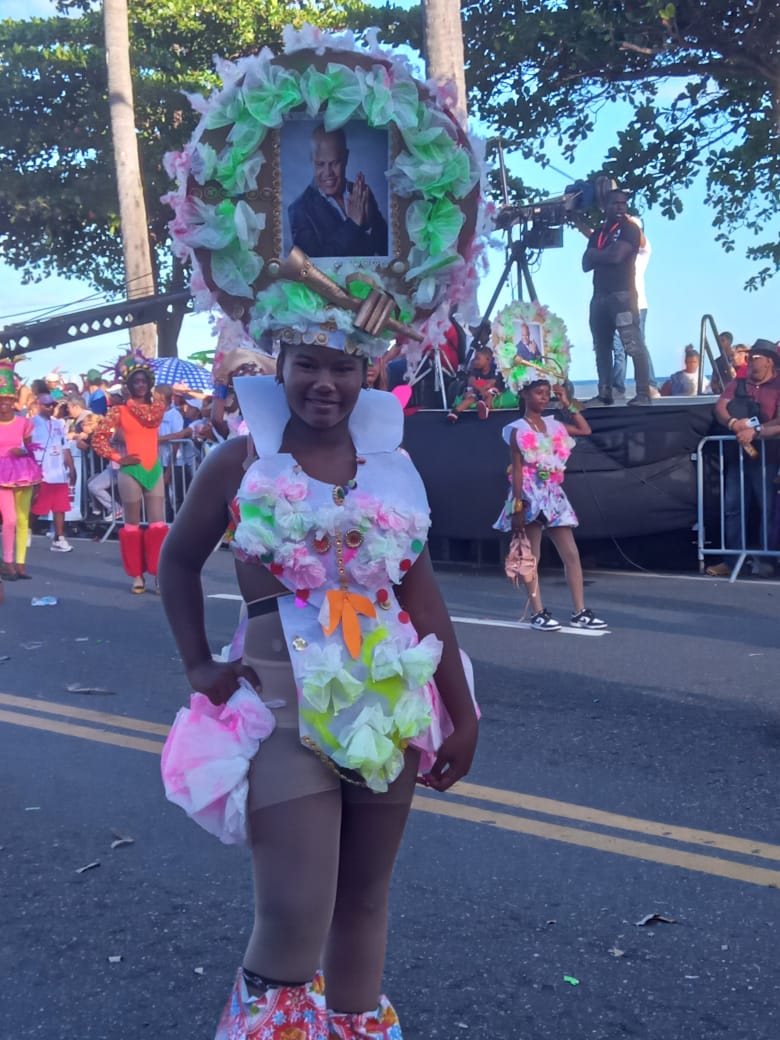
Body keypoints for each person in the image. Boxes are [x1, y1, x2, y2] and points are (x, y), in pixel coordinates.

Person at [158, 322, 478, 1040]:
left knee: (364, 901)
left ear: (367, 371)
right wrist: (199, 664)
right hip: (280, 700)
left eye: (342, 367)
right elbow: (177, 562)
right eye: (307, 365)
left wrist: (461, 711)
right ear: (280, 366)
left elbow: (420, 596)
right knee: (295, 916)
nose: (325, 384)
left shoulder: (391, 463)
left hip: (387, 702)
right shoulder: (239, 458)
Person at [493, 377, 608, 631]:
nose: (544, 397)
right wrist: (518, 506)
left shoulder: (554, 425)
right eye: (538, 393)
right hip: (529, 492)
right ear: (524, 394)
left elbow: (585, 429)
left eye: (547, 393)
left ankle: (580, 611)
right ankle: (538, 612)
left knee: (571, 553)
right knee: (531, 555)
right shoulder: (516, 429)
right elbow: (518, 469)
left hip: (553, 493)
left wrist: (567, 402)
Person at [92, 353, 168, 593]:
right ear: (129, 385)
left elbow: (153, 412)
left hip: (153, 469)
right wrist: (118, 457)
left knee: (158, 525)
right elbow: (98, 439)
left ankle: (158, 574)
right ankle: (137, 575)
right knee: (132, 525)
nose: (140, 385)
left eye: (144, 380)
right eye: (136, 382)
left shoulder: (157, 407)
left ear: (149, 382)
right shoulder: (119, 411)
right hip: (130, 471)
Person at [706, 340, 780, 577]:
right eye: (750, 356)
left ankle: (768, 560)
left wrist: (755, 432)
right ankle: (731, 559)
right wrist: (732, 423)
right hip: (736, 456)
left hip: (767, 458)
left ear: (769, 360)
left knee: (767, 508)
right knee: (732, 507)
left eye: (756, 356)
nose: (751, 360)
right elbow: (720, 407)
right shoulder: (738, 382)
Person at [582, 189, 654, 405]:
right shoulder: (598, 233)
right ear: (606, 206)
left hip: (622, 295)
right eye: (616, 203)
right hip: (599, 296)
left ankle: (643, 392)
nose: (621, 207)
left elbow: (617, 256)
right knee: (601, 347)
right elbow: (585, 263)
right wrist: (601, 255)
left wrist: (597, 255)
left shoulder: (630, 229)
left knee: (632, 343)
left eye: (624, 203)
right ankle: (604, 392)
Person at [289, 125, 388, 258]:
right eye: (320, 164)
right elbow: (312, 265)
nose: (328, 173)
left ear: (346, 158)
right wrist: (352, 224)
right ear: (311, 160)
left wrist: (369, 227)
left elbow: (386, 249)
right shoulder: (299, 210)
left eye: (334, 163)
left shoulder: (362, 194)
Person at [0, 360, 41, 580]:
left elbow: (31, 449)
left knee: (24, 519)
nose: (4, 405)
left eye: (7, 400)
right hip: (1, 476)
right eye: (0, 401)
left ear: (14, 401)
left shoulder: (23, 423)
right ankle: (8, 562)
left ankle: (21, 563)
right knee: (9, 520)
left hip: (23, 473)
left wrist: (22, 452)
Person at [609, 217, 659, 398]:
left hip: (637, 306)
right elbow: (593, 236)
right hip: (616, 306)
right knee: (618, 349)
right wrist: (577, 222)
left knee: (638, 346)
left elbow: (640, 237)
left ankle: (650, 385)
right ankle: (618, 387)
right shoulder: (617, 252)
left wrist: (627, 220)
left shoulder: (643, 252)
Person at [30, 393, 76, 553]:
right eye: (46, 405)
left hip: (58, 472)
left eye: (51, 405)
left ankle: (59, 538)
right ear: (38, 405)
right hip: (41, 471)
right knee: (37, 507)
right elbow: (25, 446)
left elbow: (65, 446)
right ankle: (26, 530)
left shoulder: (59, 424)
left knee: (60, 507)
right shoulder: (31, 423)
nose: (50, 408)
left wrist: (71, 467)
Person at [447, 345, 502, 421]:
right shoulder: (475, 370)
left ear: (488, 360)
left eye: (478, 358)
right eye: (475, 358)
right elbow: (471, 381)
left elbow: (492, 382)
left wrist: (483, 387)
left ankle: (485, 408)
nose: (475, 361)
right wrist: (480, 389)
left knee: (490, 393)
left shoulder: (493, 370)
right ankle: (455, 412)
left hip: (491, 390)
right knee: (471, 397)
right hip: (479, 390)